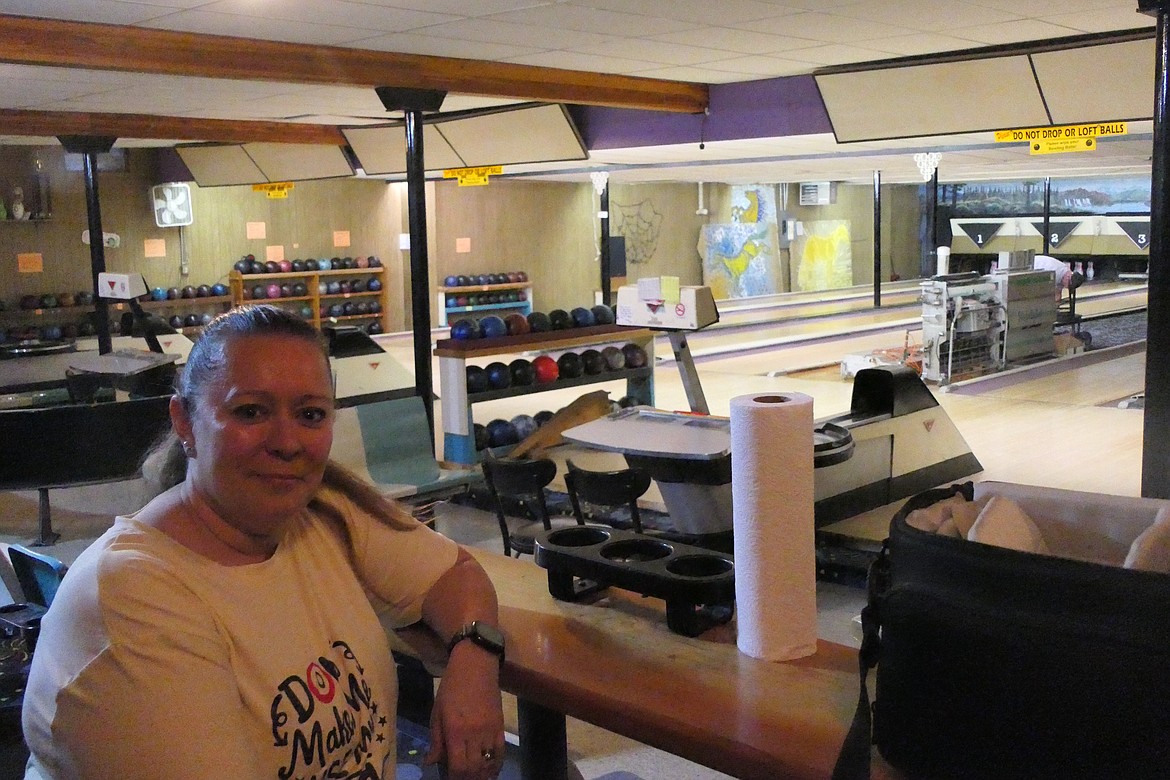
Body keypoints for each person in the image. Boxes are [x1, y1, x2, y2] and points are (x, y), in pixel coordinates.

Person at [22, 305, 506, 780]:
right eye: (251, 411)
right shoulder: (135, 598)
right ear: (185, 422)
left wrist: (474, 656)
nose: (287, 441)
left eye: (310, 414)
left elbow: (455, 574)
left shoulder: (320, 515)